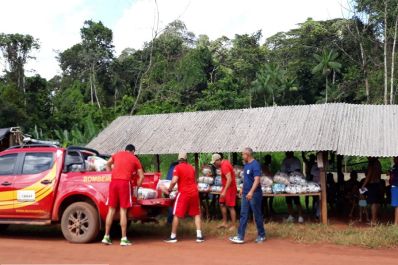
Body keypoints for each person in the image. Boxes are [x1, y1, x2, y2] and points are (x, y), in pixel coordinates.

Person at [102, 144, 144, 246]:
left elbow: (107, 164)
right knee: (123, 211)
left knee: (111, 210)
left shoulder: (117, 154)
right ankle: (124, 239)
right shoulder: (134, 158)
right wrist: (137, 187)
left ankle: (106, 237)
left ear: (125, 150)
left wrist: (110, 173)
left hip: (113, 183)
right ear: (133, 151)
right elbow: (141, 176)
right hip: (124, 183)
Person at [163, 152, 204, 243]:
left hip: (184, 193)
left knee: (177, 214)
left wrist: (169, 189)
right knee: (196, 213)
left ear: (178, 160)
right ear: (186, 160)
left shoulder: (177, 167)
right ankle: (199, 235)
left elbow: (174, 181)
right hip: (194, 192)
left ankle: (173, 236)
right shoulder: (191, 167)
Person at [230, 147, 266, 244]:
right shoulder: (246, 165)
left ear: (247, 155)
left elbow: (257, 180)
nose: (242, 156)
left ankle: (261, 235)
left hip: (255, 194)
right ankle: (240, 236)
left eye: (243, 154)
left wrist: (251, 192)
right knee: (243, 214)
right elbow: (246, 179)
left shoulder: (255, 165)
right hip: (246, 193)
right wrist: (243, 188)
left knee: (257, 214)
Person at [210, 153, 237, 230]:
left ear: (218, 160)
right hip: (225, 187)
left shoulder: (224, 166)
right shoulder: (224, 163)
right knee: (222, 203)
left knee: (230, 206)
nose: (214, 164)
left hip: (230, 188)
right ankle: (224, 223)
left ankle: (234, 225)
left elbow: (229, 179)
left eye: (214, 162)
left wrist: (224, 191)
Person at [281, 151, 304, 223]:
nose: (286, 153)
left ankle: (300, 216)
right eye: (286, 152)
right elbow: (283, 170)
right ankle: (291, 216)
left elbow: (297, 170)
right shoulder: (284, 160)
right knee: (288, 200)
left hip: (294, 183)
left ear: (292, 152)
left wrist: (290, 174)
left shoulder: (296, 160)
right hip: (287, 182)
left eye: (288, 152)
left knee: (296, 200)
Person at [361, 157, 382, 225]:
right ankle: (374, 219)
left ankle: (365, 213)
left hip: (372, 184)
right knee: (375, 202)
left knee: (360, 193)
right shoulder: (378, 163)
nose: (367, 157)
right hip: (377, 184)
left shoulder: (371, 163)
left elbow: (368, 176)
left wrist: (363, 185)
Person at [390, 157, 398, 225]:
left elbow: (391, 177)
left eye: (395, 158)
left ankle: (396, 223)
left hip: (395, 186)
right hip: (395, 186)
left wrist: (391, 182)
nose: (393, 160)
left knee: (397, 206)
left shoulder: (394, 167)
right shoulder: (393, 167)